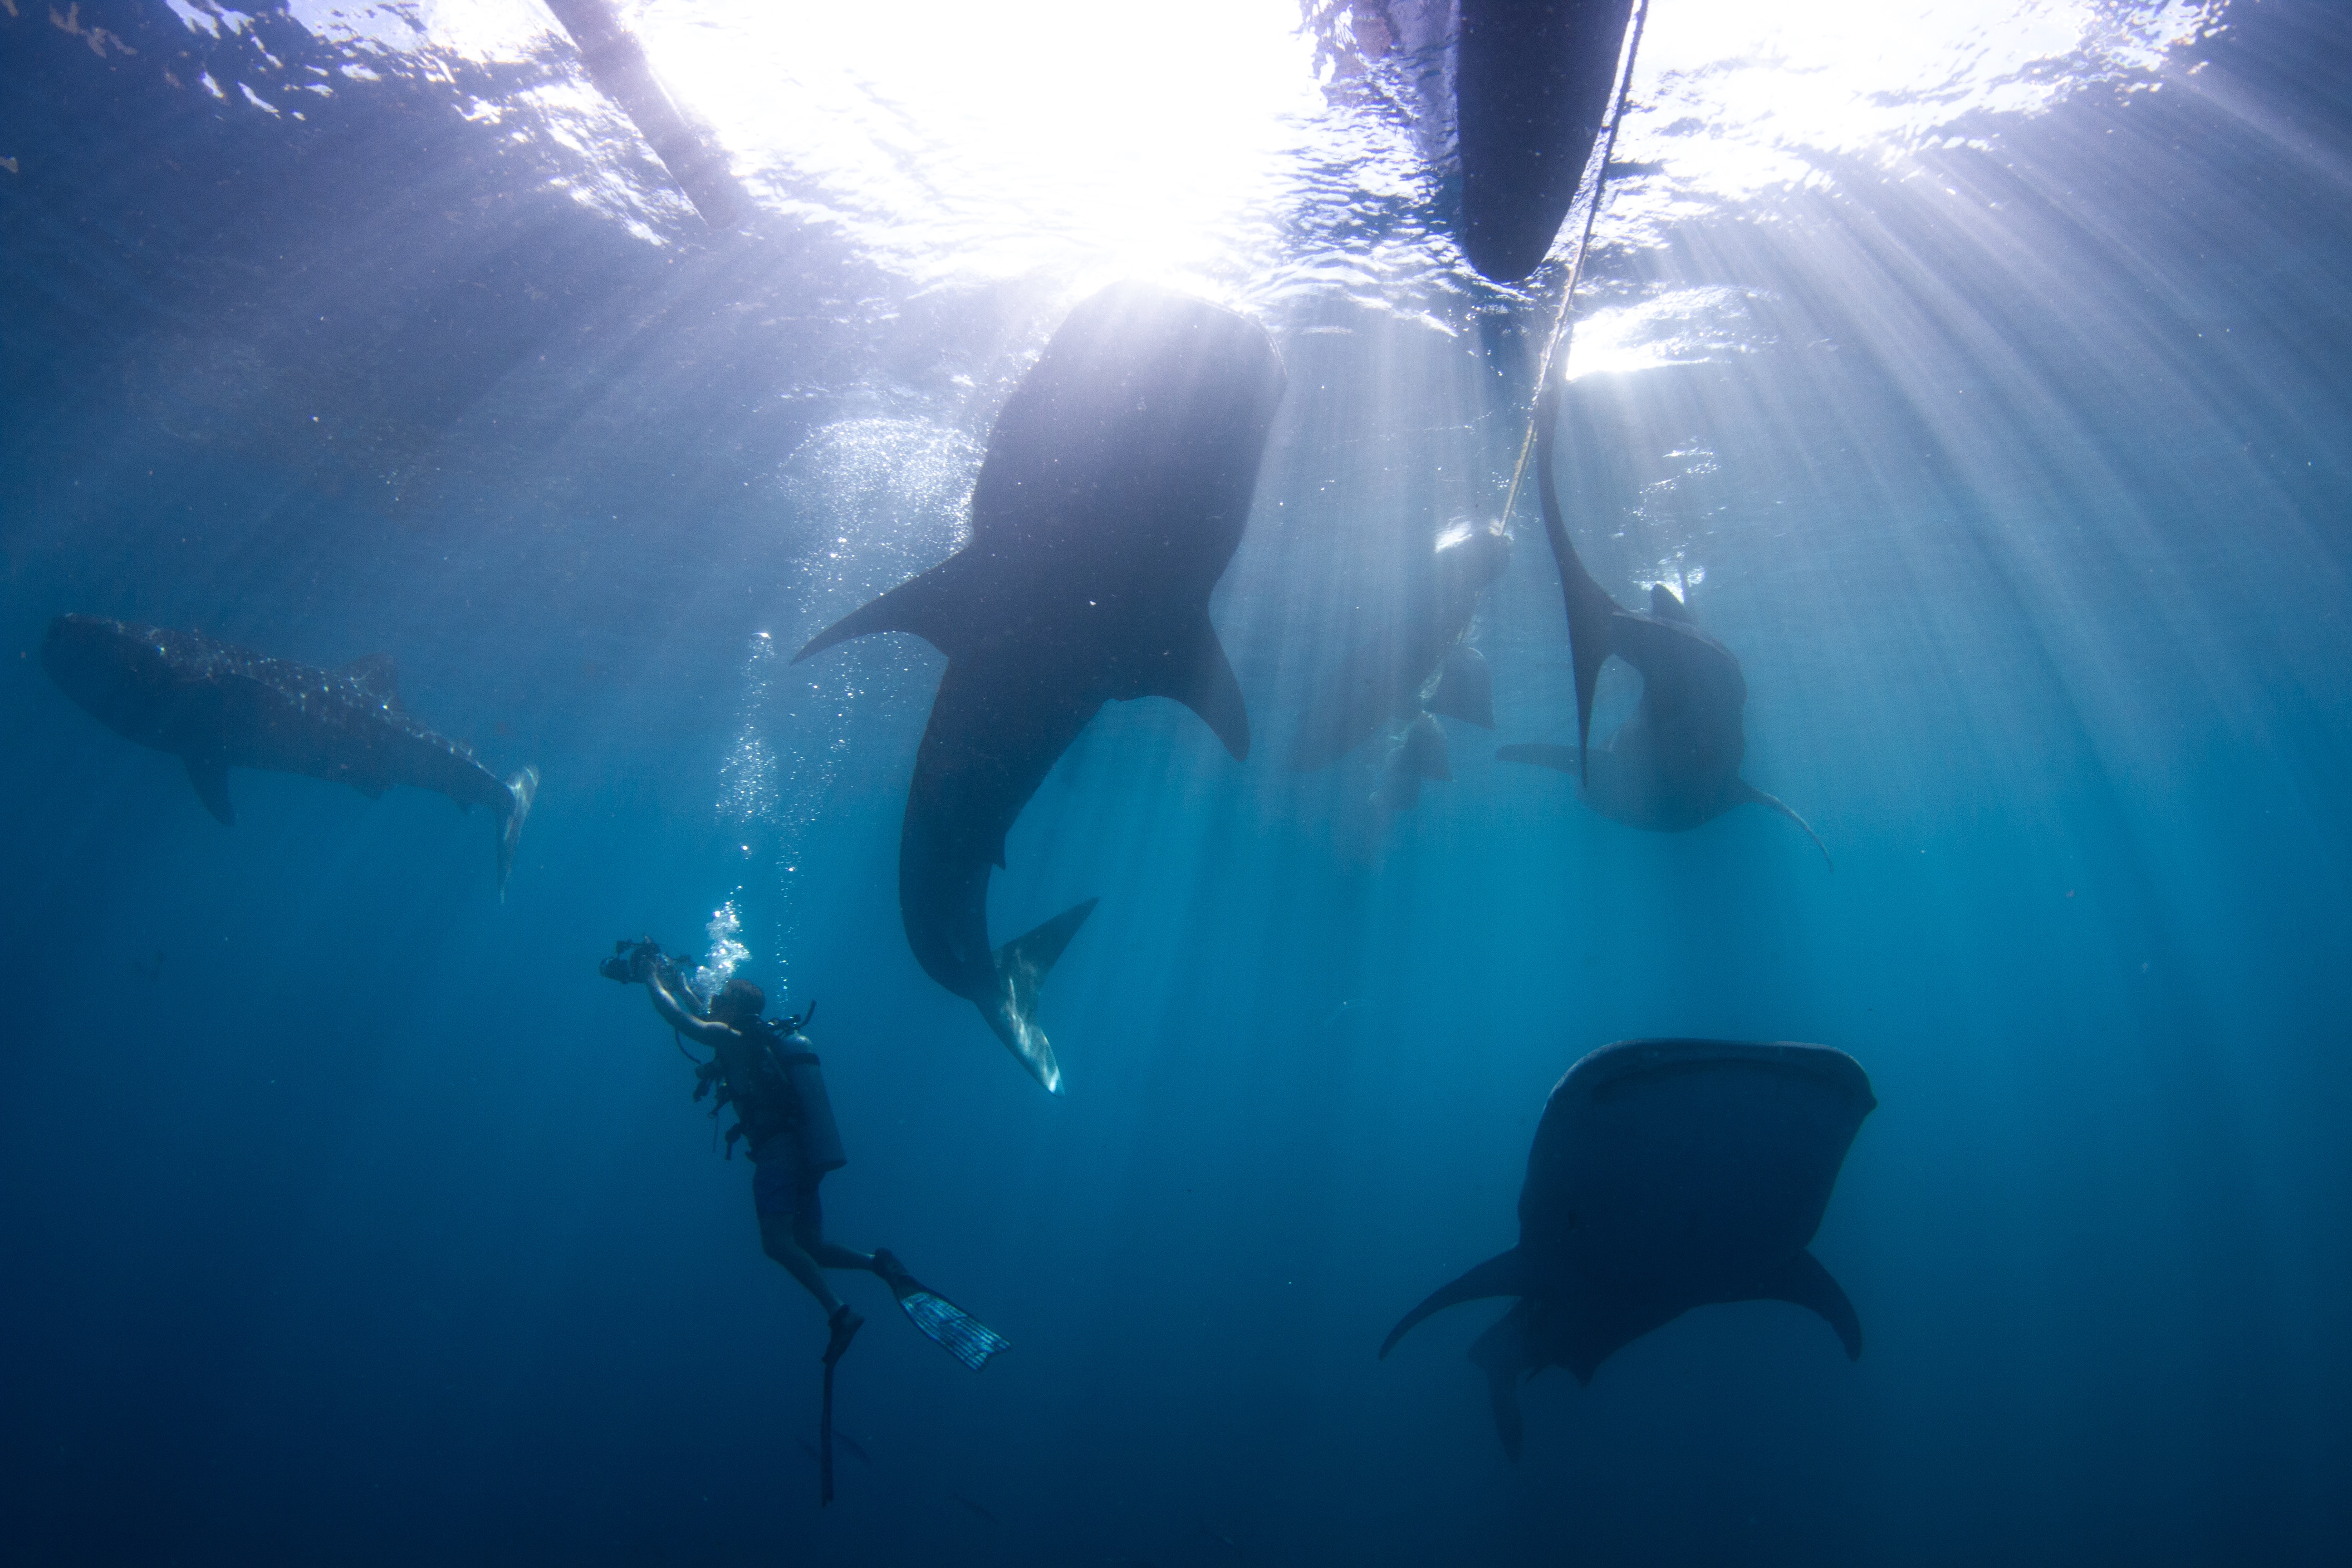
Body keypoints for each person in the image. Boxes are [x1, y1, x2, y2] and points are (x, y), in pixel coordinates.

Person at [602, 939, 1009, 1374]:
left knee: (777, 1243)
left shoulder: (729, 1036)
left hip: (777, 1158)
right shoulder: (750, 1036)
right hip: (803, 1155)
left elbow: (682, 1018)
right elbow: (696, 1004)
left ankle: (839, 1312)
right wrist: (675, 977)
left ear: (734, 1009)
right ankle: (878, 1264)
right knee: (810, 1244)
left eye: (720, 999)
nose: (712, 1002)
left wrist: (649, 978)